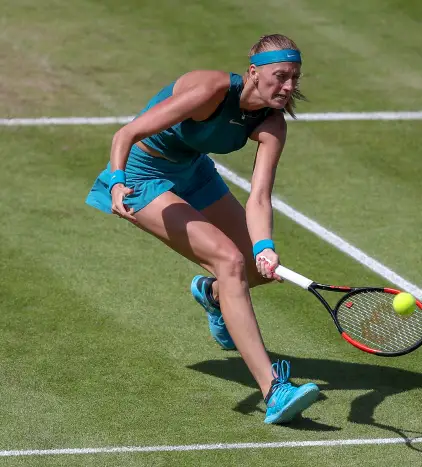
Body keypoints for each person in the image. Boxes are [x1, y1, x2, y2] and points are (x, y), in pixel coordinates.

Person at [85, 34, 319, 425]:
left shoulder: (272, 124)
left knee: (253, 270)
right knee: (228, 260)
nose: (289, 86)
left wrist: (264, 246)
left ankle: (211, 294)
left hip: (193, 171)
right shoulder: (210, 90)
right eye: (280, 76)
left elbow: (259, 197)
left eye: (294, 78)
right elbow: (126, 134)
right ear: (253, 73)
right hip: (143, 175)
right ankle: (274, 391)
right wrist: (117, 179)